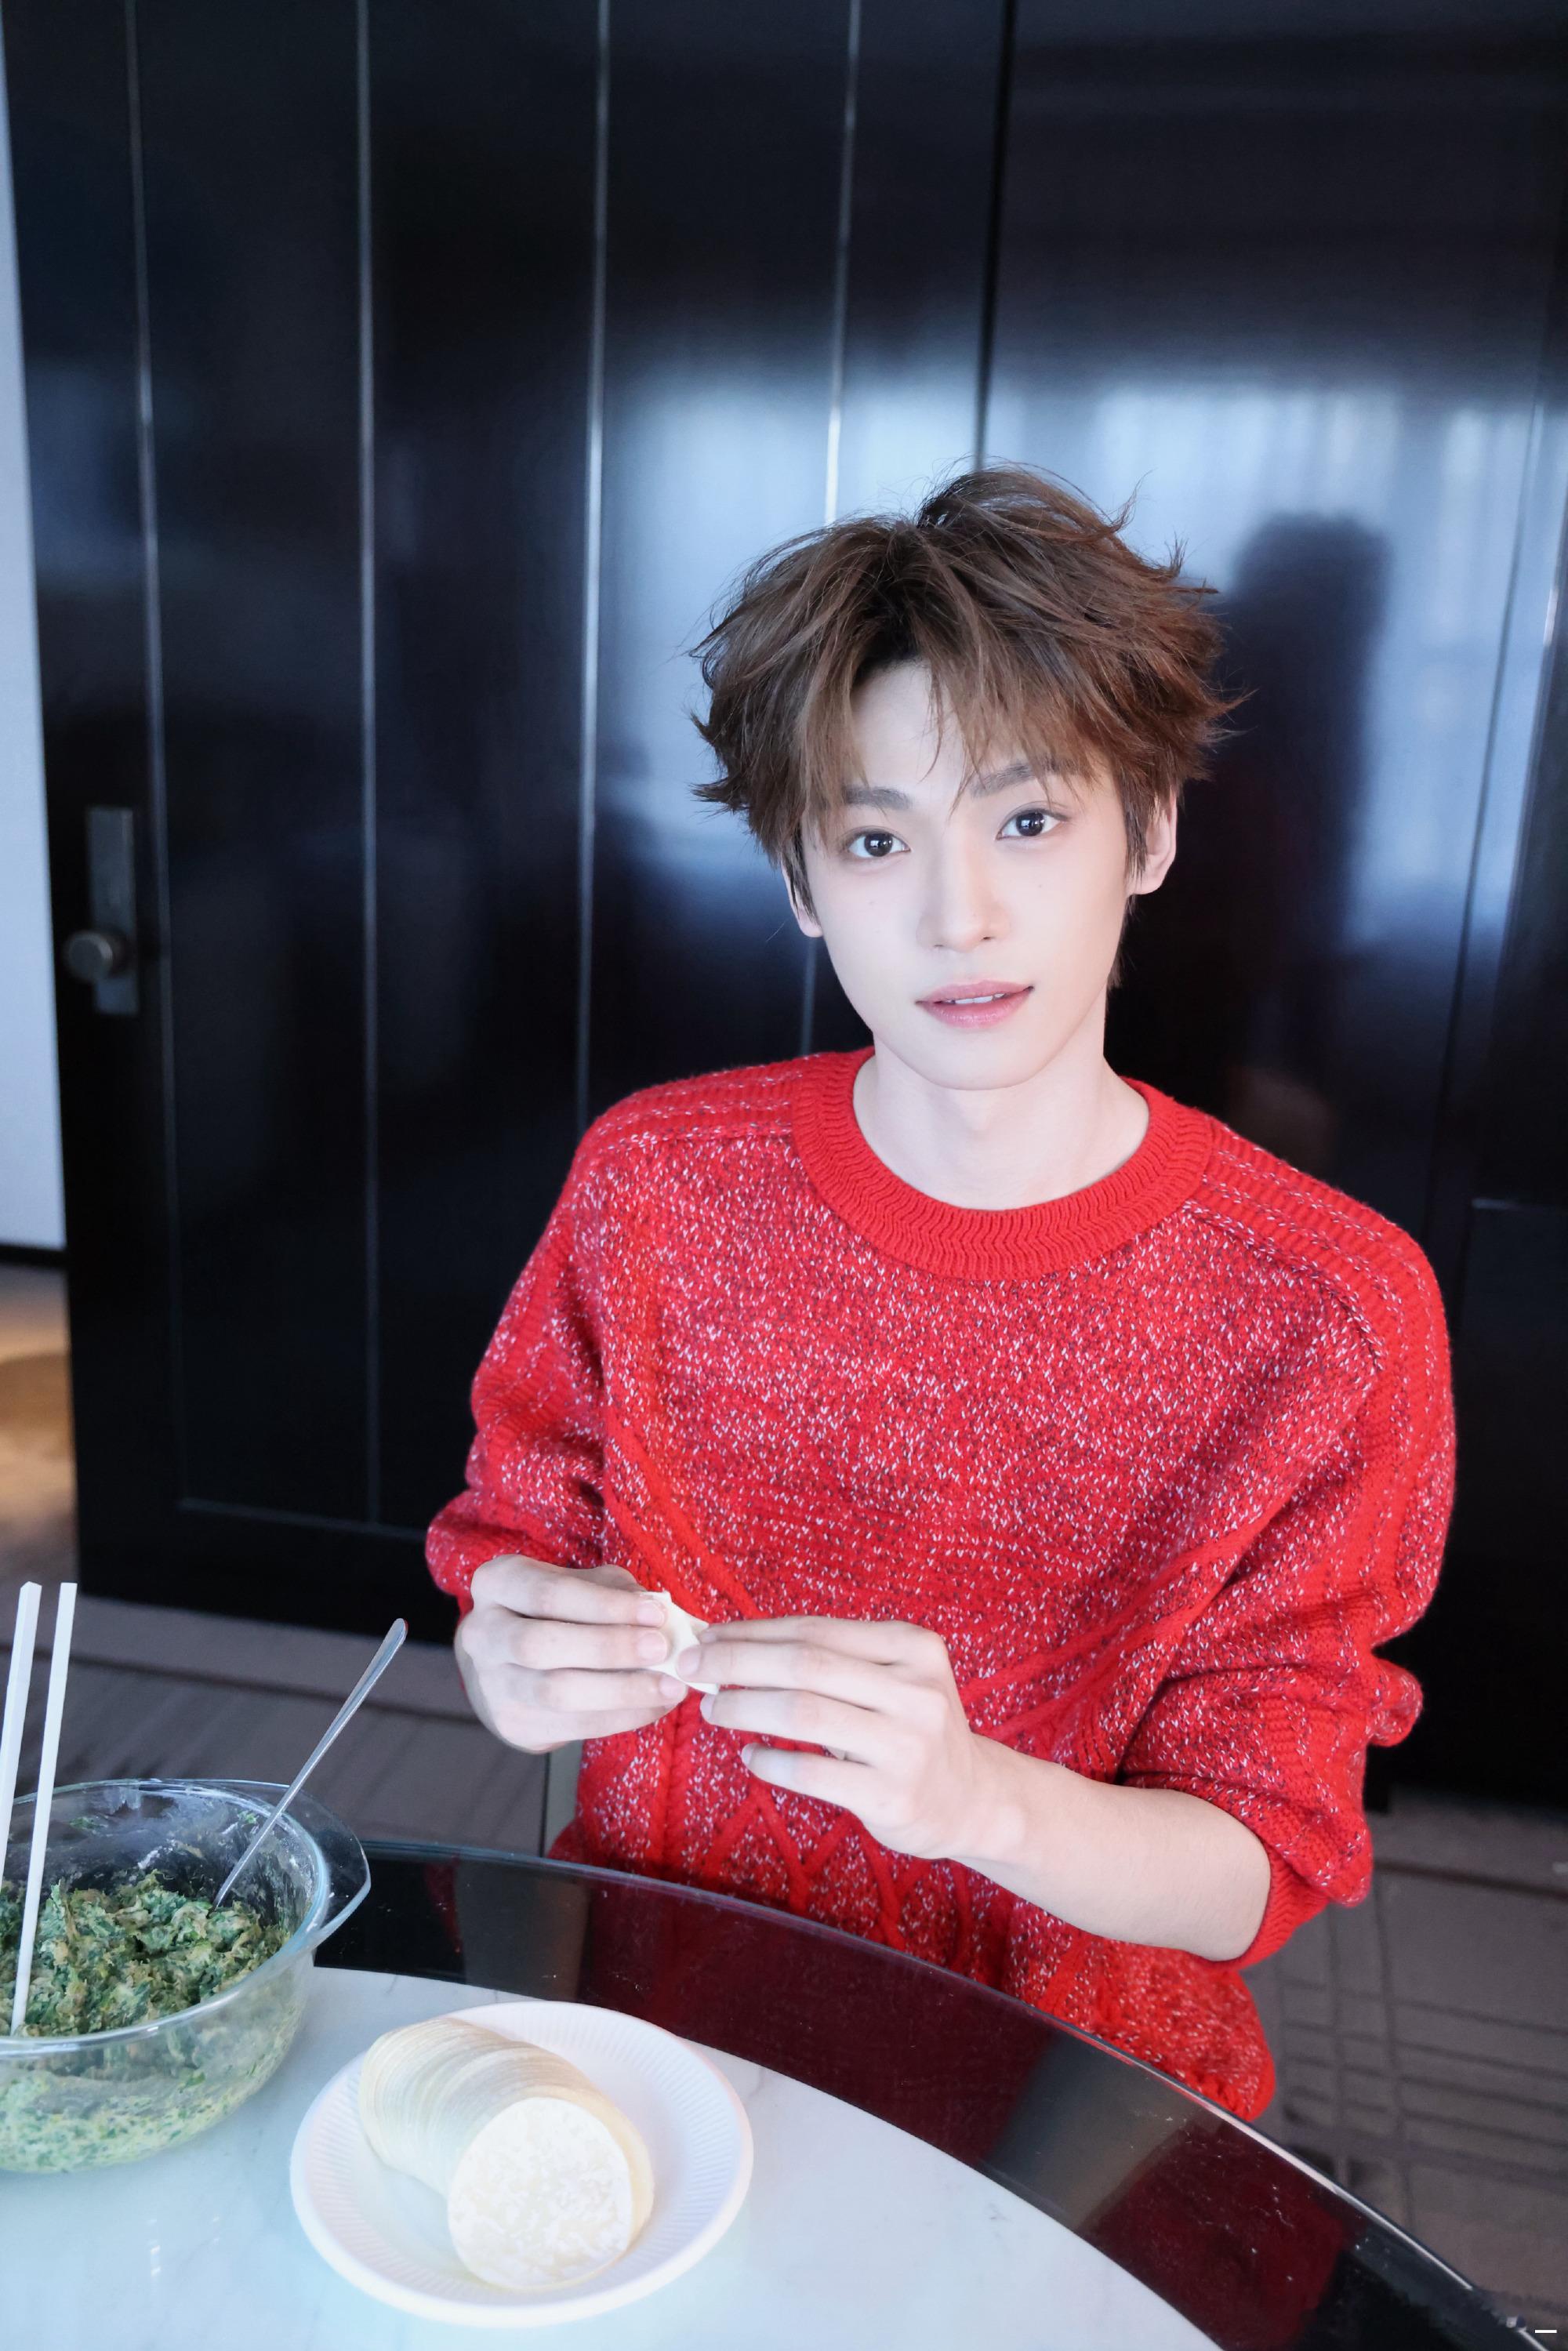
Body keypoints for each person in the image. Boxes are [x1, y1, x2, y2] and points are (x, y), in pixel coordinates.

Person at [428, 466, 1454, 2120]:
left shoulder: (1329, 1314)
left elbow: (1256, 1866)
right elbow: (511, 1574)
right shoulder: (654, 1186)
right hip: (661, 2025)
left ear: (1151, 831)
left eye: (1027, 822)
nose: (956, 915)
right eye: (874, 838)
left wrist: (974, 1796)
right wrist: (515, 1661)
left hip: (1065, 2095)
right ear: (800, 880)